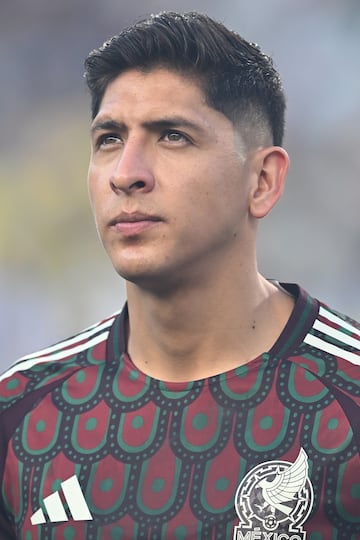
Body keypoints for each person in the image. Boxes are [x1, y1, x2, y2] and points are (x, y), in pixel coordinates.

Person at [0, 11, 359, 540]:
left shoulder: (345, 397)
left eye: (172, 136)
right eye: (109, 139)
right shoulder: (22, 410)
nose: (127, 173)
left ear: (262, 180)